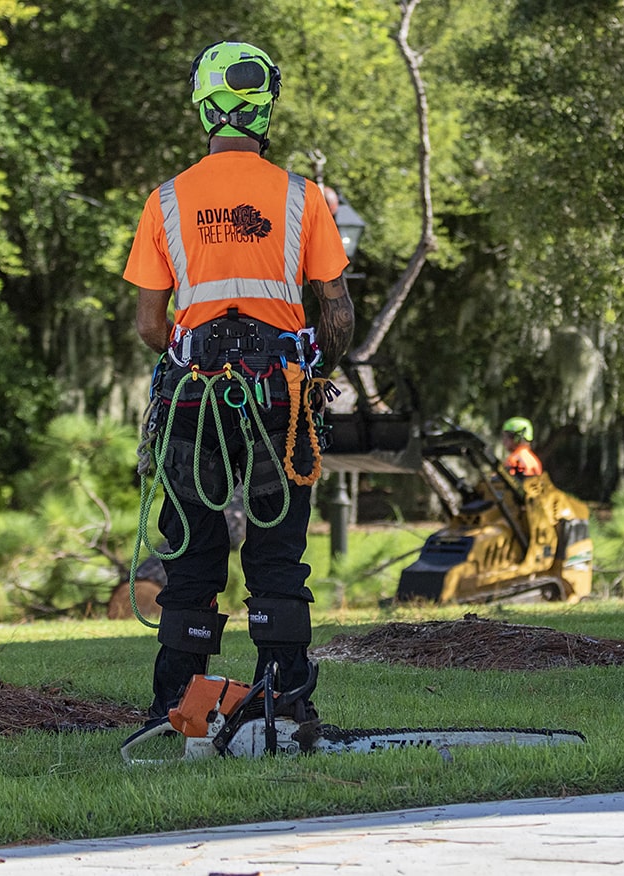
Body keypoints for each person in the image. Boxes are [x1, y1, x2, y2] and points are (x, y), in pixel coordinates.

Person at [123, 40, 354, 728]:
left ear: (204, 107)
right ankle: (283, 704)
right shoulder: (301, 197)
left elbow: (147, 324)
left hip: (194, 393)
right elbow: (335, 311)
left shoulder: (165, 201)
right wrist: (316, 369)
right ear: (263, 109)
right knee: (276, 548)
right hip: (278, 397)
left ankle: (179, 707)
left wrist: (192, 353)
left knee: (192, 552)